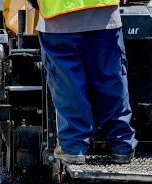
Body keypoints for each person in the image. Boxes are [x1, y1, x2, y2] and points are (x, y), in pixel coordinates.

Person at [34, 0, 137, 164]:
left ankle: (75, 147)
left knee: (68, 86)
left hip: (58, 16)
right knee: (111, 80)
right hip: (104, 13)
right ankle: (121, 145)